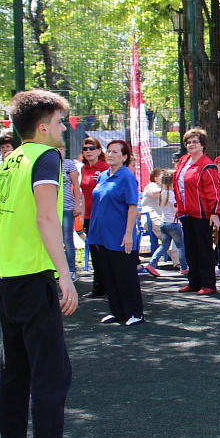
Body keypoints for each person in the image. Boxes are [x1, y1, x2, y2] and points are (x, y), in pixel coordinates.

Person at [0, 89, 101, 438]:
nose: (63, 129)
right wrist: (65, 275)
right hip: (33, 276)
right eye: (59, 122)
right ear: (41, 126)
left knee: (14, 366)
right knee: (52, 372)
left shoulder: (6, 162)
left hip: (4, 276)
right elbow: (46, 217)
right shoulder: (45, 156)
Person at [88, 140, 144, 326]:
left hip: (120, 235)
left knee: (125, 275)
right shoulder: (103, 176)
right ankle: (117, 311)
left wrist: (128, 234)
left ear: (124, 156)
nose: (110, 154)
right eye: (108, 151)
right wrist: (94, 233)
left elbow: (132, 206)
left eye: (115, 152)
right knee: (109, 274)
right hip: (102, 235)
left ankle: (135, 312)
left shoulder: (127, 177)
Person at [173, 128, 220, 296]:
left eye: (195, 141)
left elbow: (213, 190)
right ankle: (194, 282)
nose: (191, 144)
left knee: (204, 249)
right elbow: (178, 186)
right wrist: (178, 207)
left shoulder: (207, 165)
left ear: (202, 144)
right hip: (185, 212)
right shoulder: (183, 161)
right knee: (190, 249)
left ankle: (208, 283)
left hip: (202, 214)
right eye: (188, 142)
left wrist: (215, 212)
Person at [77, 137, 109, 296]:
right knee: (95, 254)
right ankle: (98, 288)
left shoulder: (105, 167)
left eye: (92, 148)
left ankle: (109, 287)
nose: (88, 151)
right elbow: (84, 195)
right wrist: (83, 218)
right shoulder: (84, 169)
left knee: (105, 252)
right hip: (89, 216)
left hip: (103, 216)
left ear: (99, 150)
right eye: (85, 149)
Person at [148, 170, 185, 274]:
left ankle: (152, 263)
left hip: (164, 223)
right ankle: (184, 266)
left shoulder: (163, 193)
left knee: (164, 246)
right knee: (180, 246)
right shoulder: (172, 194)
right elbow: (176, 208)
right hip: (174, 224)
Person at [60, 148, 83, 281]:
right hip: (52, 207)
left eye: (62, 149)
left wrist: (77, 204)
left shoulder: (68, 164)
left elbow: (76, 184)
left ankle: (71, 270)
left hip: (67, 206)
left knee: (67, 239)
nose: (59, 151)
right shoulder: (48, 163)